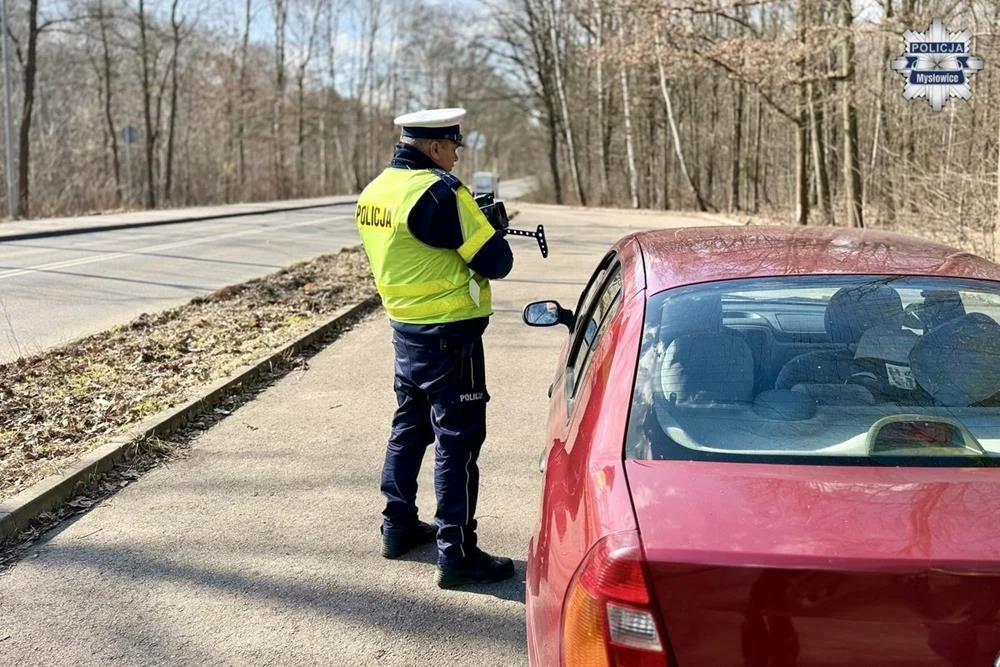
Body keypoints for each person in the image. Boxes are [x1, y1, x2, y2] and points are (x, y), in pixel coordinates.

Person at [355, 107, 516, 588]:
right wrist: (490, 228)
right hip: (452, 337)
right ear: (434, 146)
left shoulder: (375, 191)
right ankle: (457, 552)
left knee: (409, 427)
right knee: (458, 444)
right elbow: (496, 262)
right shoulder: (442, 192)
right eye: (453, 147)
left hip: (405, 329)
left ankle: (397, 525)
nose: (456, 156)